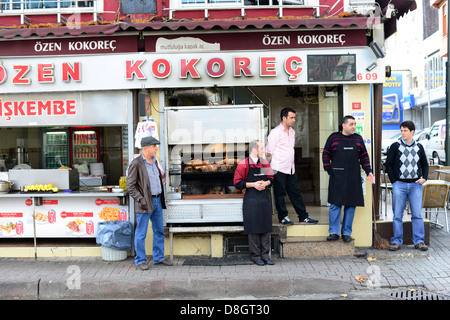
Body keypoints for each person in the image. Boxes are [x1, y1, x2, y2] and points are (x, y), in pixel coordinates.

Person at [322, 115, 374, 242]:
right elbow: (325, 154)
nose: (354, 127)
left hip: (353, 177)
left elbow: (364, 157)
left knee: (351, 205)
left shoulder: (358, 139)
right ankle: (333, 232)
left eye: (355, 124)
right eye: (351, 124)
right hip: (337, 176)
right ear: (343, 125)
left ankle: (346, 233)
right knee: (335, 204)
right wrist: (329, 170)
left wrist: (369, 172)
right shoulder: (333, 138)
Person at [127, 136, 173, 270]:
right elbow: (130, 186)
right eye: (154, 146)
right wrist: (141, 199)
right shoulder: (136, 163)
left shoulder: (155, 161)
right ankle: (140, 260)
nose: (156, 148)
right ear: (146, 148)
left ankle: (158, 258)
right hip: (145, 203)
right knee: (141, 233)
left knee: (159, 230)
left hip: (158, 200)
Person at [266, 107, 318, 225]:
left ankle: (303, 217)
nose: (294, 120)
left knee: (296, 193)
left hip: (290, 169)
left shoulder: (293, 132)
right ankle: (283, 217)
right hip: (278, 168)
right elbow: (269, 152)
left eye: (294, 117)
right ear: (284, 118)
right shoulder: (275, 132)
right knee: (280, 194)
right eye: (292, 117)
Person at [385, 120, 429, 251]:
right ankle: (397, 241)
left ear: (412, 132)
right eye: (401, 130)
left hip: (416, 185)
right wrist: (395, 182)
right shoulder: (395, 146)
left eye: (405, 131)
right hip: (400, 185)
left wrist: (424, 178)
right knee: (397, 215)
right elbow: (388, 165)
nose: (402, 133)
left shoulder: (419, 147)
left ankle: (419, 241)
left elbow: (425, 164)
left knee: (417, 215)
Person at [234, 140, 275, 266]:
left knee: (266, 227)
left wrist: (265, 183)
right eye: (261, 148)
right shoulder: (243, 164)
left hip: (264, 199)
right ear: (254, 150)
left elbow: (272, 178)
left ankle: (265, 255)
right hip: (251, 200)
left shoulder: (265, 163)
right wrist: (253, 185)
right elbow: (237, 183)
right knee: (253, 229)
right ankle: (256, 256)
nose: (263, 150)